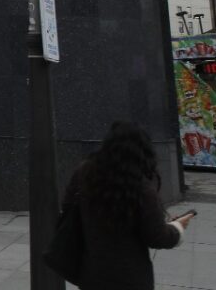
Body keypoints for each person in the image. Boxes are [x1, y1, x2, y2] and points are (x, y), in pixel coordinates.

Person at [60, 121, 190, 289]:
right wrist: (177, 228)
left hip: (91, 275)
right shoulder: (141, 188)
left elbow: (68, 206)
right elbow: (157, 237)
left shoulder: (84, 173)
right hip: (131, 279)